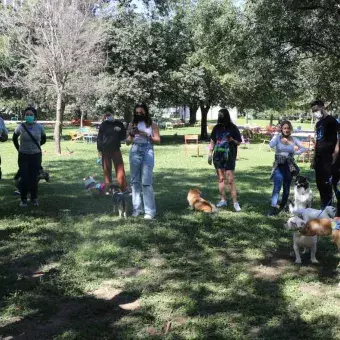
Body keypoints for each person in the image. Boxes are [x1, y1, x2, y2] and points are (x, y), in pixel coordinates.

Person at [126, 103, 160, 219]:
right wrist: (131, 134)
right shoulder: (132, 124)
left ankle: (150, 212)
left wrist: (147, 135)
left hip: (147, 150)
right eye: (137, 113)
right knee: (135, 182)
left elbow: (158, 140)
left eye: (141, 113)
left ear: (146, 112)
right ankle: (137, 209)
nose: (139, 114)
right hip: (135, 150)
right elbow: (127, 142)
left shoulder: (152, 124)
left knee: (146, 182)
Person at [267, 120, 306, 216]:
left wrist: (294, 152)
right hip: (279, 166)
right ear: (281, 129)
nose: (286, 130)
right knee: (277, 187)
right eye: (284, 128)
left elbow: (303, 148)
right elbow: (271, 145)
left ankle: (283, 205)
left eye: (288, 128)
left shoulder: (294, 139)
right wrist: (276, 135)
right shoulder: (277, 138)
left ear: (290, 129)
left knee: (287, 188)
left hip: (289, 167)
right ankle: (272, 208)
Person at [208, 108, 242, 212]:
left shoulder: (233, 128)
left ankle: (235, 202)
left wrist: (232, 140)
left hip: (229, 156)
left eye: (222, 115)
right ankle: (223, 200)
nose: (220, 117)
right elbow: (212, 141)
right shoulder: (216, 128)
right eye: (219, 115)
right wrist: (210, 153)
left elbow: (239, 142)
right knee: (221, 179)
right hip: (218, 156)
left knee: (230, 180)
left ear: (226, 115)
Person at [12, 107, 46, 207]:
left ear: (35, 116)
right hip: (23, 156)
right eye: (27, 114)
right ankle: (23, 200)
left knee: (34, 178)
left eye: (31, 114)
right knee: (24, 178)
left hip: (36, 156)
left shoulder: (39, 127)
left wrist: (35, 147)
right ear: (24, 116)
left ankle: (34, 198)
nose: (29, 116)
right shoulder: (20, 127)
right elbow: (14, 138)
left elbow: (43, 139)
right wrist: (19, 149)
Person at [311, 100, 338, 208]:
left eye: (316, 110)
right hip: (319, 158)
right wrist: (313, 158)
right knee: (319, 183)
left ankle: (329, 208)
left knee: (327, 184)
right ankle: (324, 206)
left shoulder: (331, 121)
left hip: (328, 158)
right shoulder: (318, 123)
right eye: (313, 111)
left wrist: (335, 154)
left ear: (322, 107)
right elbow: (318, 141)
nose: (315, 112)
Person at [97, 108, 128, 193]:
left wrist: (120, 130)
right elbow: (99, 138)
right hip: (105, 150)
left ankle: (123, 187)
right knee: (106, 170)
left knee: (120, 169)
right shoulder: (103, 124)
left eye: (109, 115)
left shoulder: (119, 123)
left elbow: (123, 136)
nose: (108, 116)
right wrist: (99, 150)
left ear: (113, 114)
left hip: (116, 149)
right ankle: (108, 189)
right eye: (106, 115)